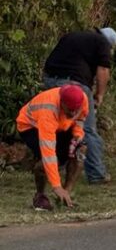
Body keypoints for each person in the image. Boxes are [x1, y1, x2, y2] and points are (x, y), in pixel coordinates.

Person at [42, 26, 116, 185]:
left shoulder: (72, 34)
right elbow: (103, 70)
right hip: (74, 84)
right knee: (87, 128)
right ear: (109, 44)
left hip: (50, 80)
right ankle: (97, 173)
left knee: (59, 126)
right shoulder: (102, 43)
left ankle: (55, 166)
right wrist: (99, 95)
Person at [16, 83, 88, 211]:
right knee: (47, 161)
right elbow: (48, 153)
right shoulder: (48, 111)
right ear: (61, 103)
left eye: (75, 110)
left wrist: (77, 135)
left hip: (61, 125)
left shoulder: (83, 99)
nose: (73, 113)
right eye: (69, 110)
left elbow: (80, 118)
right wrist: (56, 186)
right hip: (31, 126)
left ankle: (66, 195)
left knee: (80, 151)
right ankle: (40, 197)